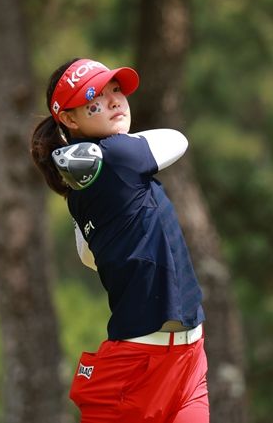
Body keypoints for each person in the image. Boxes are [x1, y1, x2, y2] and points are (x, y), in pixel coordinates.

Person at [30, 58, 209, 423]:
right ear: (69, 119)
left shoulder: (91, 181)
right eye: (95, 96)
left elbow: (87, 255)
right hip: (137, 372)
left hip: (188, 362)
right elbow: (178, 139)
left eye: (116, 90)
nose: (114, 100)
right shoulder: (119, 156)